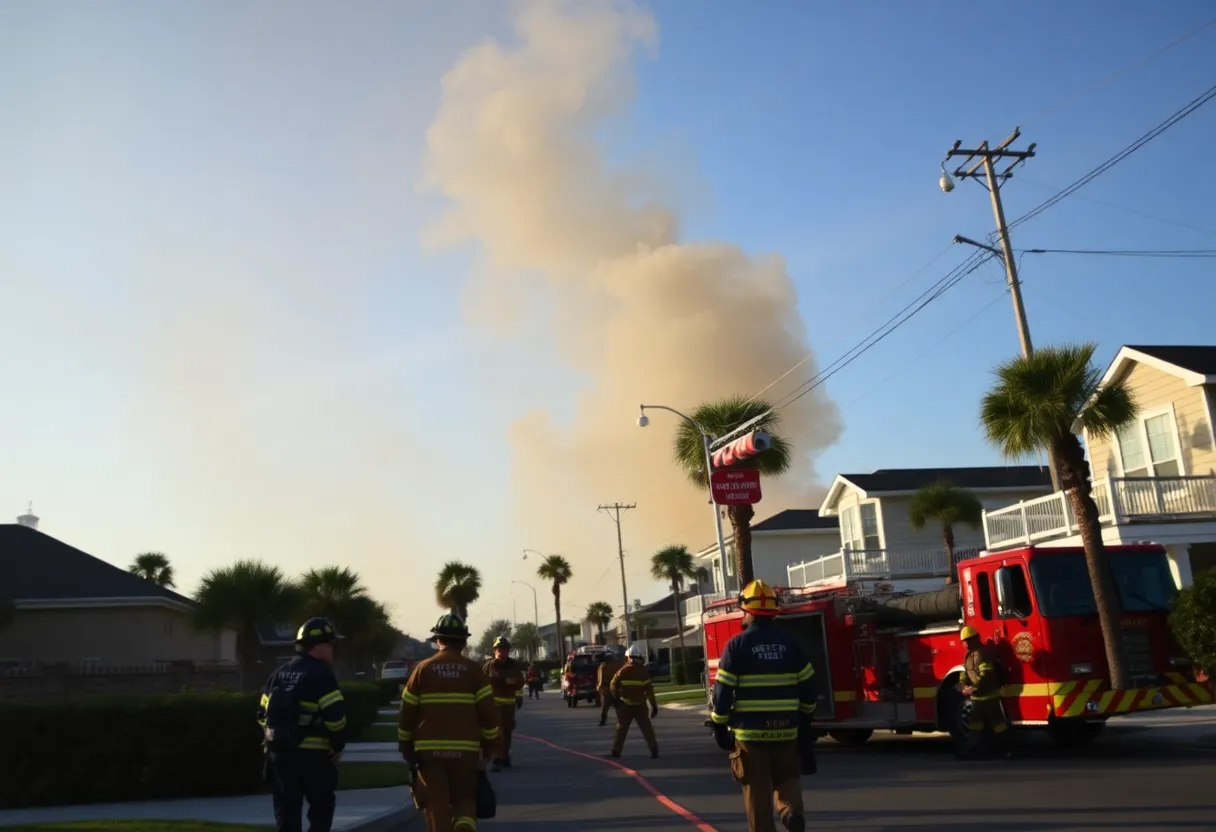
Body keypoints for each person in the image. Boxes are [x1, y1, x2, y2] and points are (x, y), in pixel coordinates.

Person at [711, 580, 816, 832]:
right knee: (787, 776)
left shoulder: (736, 646)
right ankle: (791, 812)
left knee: (756, 789)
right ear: (773, 611)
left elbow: (723, 691)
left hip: (750, 734)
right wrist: (805, 716)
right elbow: (809, 687)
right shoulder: (792, 644)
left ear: (746, 611)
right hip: (787, 729)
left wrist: (719, 723)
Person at [399, 614, 500, 832]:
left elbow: (406, 714)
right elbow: (489, 716)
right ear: (463, 642)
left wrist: (406, 748)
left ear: (437, 640)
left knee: (437, 807)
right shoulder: (474, 671)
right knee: (465, 801)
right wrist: (491, 747)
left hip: (429, 754)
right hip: (466, 753)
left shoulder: (421, 670)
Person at [256, 616, 348, 832]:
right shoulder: (322, 674)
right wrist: (337, 746)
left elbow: (261, 713)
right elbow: (335, 717)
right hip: (314, 759)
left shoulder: (278, 674)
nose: (333, 649)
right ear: (318, 646)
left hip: (280, 756)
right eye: (330, 644)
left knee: (287, 813)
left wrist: (275, 737)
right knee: (321, 810)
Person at [958, 624, 1014, 760]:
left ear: (974, 639)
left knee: (999, 726)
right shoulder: (969, 655)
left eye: (967, 640)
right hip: (977, 699)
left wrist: (973, 688)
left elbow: (986, 674)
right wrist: (962, 685)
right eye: (964, 641)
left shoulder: (983, 653)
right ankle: (970, 751)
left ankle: (1010, 750)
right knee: (974, 727)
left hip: (990, 697)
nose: (965, 643)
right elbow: (965, 673)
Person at [482, 636, 525, 771]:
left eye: (505, 649)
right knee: (496, 732)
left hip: (509, 704)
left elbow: (519, 682)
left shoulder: (513, 666)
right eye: (499, 649)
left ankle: (504, 756)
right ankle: (496, 758)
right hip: (493, 704)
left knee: (507, 731)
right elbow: (481, 684)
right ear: (495, 651)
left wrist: (517, 695)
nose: (502, 652)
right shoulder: (488, 666)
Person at [609, 643, 658, 759]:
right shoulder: (643, 672)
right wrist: (654, 706)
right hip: (640, 705)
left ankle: (616, 751)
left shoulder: (622, 671)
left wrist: (616, 699)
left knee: (621, 729)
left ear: (628, 657)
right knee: (647, 729)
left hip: (625, 705)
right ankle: (653, 749)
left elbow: (612, 684)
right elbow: (649, 691)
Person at [596, 648, 623, 727]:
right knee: (617, 705)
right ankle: (621, 720)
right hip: (616, 688)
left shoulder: (603, 666)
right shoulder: (618, 664)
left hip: (607, 688)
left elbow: (601, 679)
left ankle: (603, 720)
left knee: (605, 706)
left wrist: (599, 687)